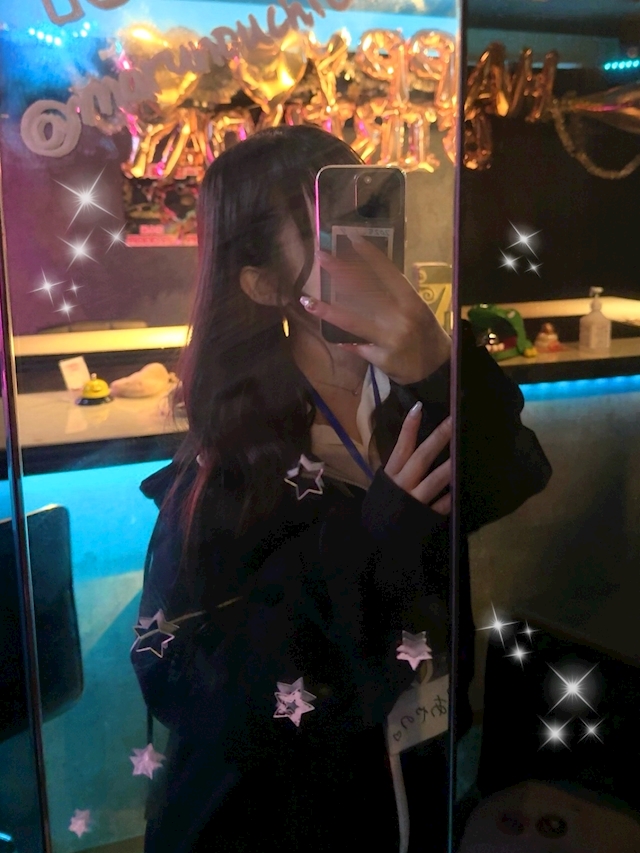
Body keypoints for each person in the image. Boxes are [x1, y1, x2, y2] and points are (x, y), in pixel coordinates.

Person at [131, 125, 551, 853]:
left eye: (367, 212)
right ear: (264, 284)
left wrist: (440, 367)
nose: (362, 248)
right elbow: (194, 680)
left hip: (416, 774)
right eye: (324, 228)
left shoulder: (409, 393)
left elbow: (513, 473)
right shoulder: (235, 451)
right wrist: (374, 538)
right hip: (291, 815)